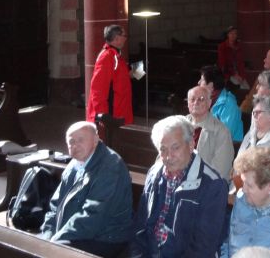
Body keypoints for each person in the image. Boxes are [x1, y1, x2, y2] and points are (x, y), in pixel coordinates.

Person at [131, 116, 228, 258]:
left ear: (190, 145)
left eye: (175, 148)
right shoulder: (154, 173)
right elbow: (140, 226)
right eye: (163, 149)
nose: (168, 156)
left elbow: (202, 248)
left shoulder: (212, 185)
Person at [39, 121, 133, 257]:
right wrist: (47, 235)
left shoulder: (110, 167)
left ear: (95, 140)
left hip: (107, 237)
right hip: (78, 232)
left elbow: (94, 215)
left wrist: (57, 239)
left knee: (57, 254)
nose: (75, 145)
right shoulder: (74, 164)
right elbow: (55, 207)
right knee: (36, 245)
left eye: (80, 140)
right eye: (71, 142)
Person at [186, 85, 234, 181]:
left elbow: (220, 170)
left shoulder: (221, 131)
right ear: (188, 103)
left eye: (201, 99)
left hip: (205, 184)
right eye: (192, 99)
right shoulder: (178, 125)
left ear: (209, 103)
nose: (196, 102)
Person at [87, 24, 133, 124]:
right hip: (112, 111)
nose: (125, 38)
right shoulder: (107, 56)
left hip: (118, 108)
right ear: (116, 38)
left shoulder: (114, 55)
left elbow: (116, 78)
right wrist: (102, 114)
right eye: (124, 36)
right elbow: (98, 87)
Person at [200, 65, 244, 142]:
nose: (198, 82)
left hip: (229, 149)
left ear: (211, 85)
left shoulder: (229, 105)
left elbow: (225, 136)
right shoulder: (207, 99)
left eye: (202, 80)